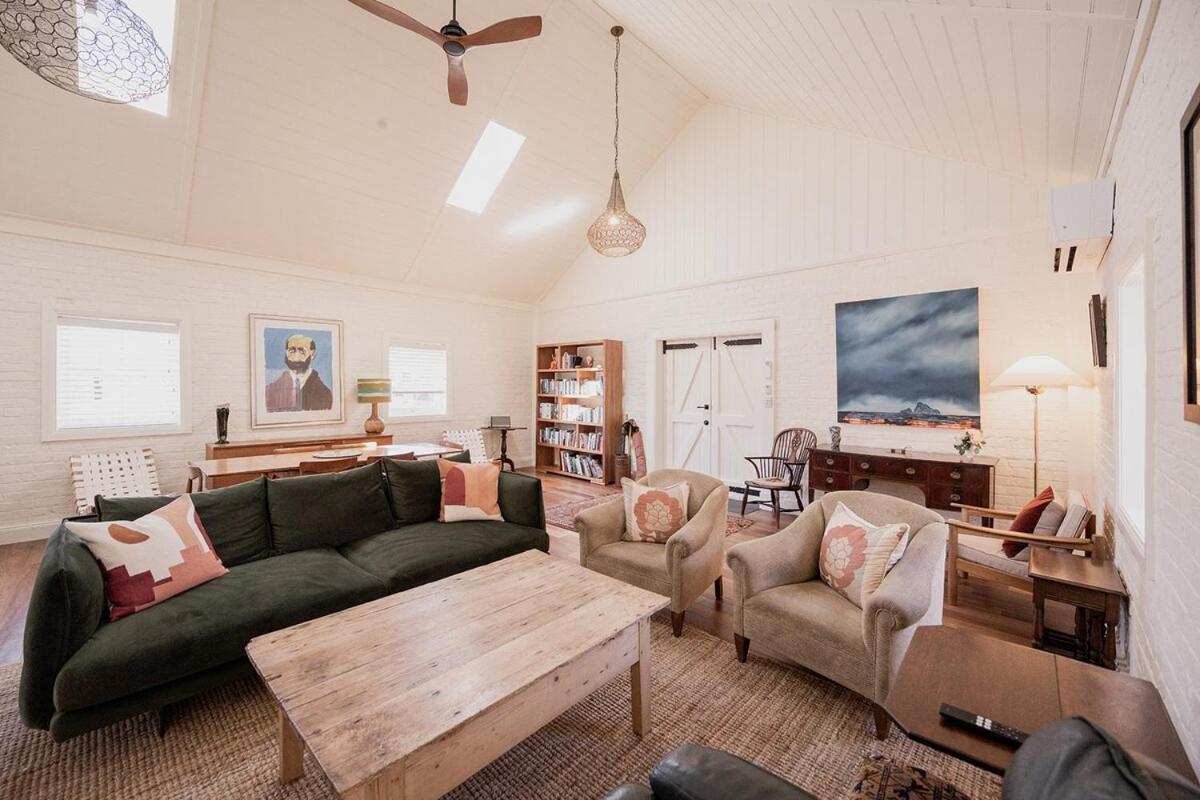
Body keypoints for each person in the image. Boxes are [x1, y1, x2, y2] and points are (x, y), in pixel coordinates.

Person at [264, 334, 333, 412]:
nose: (296, 357)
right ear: (286, 352)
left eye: (302, 351)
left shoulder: (324, 394)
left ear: (313, 354)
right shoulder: (271, 391)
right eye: (292, 351)